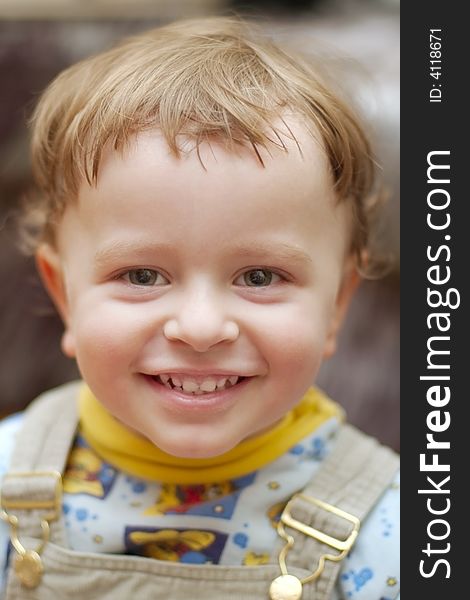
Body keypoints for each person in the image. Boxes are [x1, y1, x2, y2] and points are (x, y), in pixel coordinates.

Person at [0, 17, 399, 600]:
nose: (201, 327)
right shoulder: (9, 474)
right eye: (141, 275)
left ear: (337, 303)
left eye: (260, 276)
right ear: (64, 295)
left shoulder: (394, 533)